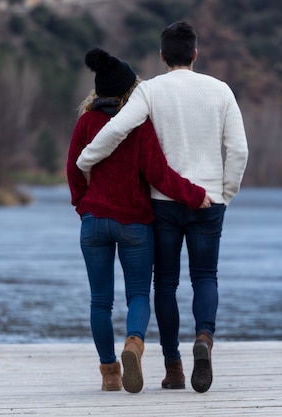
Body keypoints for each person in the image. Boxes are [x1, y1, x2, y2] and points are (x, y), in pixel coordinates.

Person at [76, 22, 249, 393]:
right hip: (208, 200)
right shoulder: (221, 91)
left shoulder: (150, 91)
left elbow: (116, 128)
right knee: (205, 277)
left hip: (163, 204)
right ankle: (204, 338)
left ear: (161, 56)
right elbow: (239, 151)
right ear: (195, 54)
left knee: (165, 285)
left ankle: (173, 368)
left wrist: (85, 159)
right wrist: (225, 194)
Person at [67, 47, 211, 394]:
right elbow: (159, 174)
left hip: (95, 222)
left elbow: (74, 169)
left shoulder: (86, 123)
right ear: (132, 91)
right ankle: (133, 343)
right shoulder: (139, 125)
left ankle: (109, 373)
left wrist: (83, 206)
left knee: (100, 301)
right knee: (137, 296)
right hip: (134, 224)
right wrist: (194, 195)